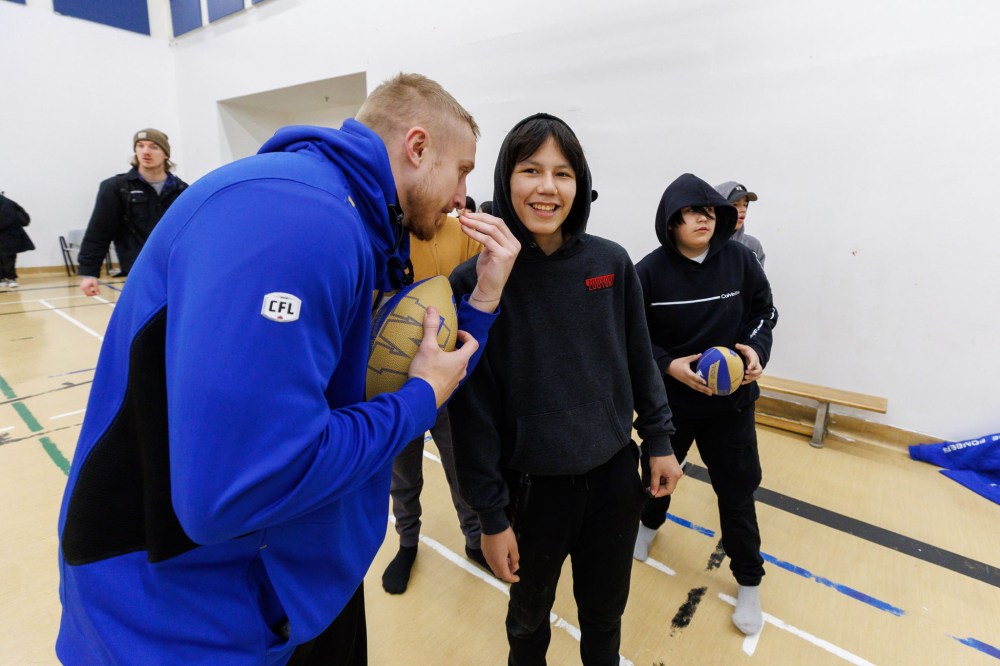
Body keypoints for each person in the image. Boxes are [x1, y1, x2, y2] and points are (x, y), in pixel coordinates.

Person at [56, 73, 520, 664]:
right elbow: (237, 488)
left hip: (290, 591)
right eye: (463, 171)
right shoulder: (298, 216)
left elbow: (408, 383)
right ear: (419, 146)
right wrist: (418, 401)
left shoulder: (357, 222)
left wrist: (481, 304)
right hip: (192, 625)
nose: (462, 197)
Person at [448, 113, 683, 665]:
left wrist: (660, 439)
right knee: (528, 627)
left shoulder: (610, 263)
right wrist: (491, 516)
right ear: (506, 179)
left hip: (611, 481)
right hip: (530, 493)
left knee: (604, 619)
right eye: (531, 170)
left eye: (564, 173)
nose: (548, 188)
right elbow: (471, 413)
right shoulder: (474, 283)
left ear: (581, 185)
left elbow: (637, 358)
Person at [633, 173, 778, 636]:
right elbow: (633, 339)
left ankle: (749, 580)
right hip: (670, 407)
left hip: (732, 408)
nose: (703, 219)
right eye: (692, 213)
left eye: (710, 212)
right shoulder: (648, 273)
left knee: (736, 493)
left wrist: (755, 350)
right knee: (657, 479)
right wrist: (670, 365)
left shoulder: (738, 259)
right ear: (671, 221)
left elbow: (765, 311)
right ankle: (647, 527)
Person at [381, 204, 488, 595]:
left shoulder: (463, 234)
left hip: (452, 380)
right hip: (392, 387)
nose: (460, 193)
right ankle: (408, 542)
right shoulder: (377, 232)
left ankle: (475, 538)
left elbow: (478, 304)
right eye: (457, 171)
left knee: (462, 467)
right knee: (403, 474)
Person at [77, 129, 189, 296]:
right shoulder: (116, 188)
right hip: (137, 271)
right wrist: (89, 272)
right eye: (140, 146)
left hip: (176, 270)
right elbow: (99, 231)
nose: (145, 151)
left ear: (166, 154)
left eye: (153, 147)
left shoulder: (182, 190)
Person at [714, 181, 764, 266]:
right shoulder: (703, 246)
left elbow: (758, 279)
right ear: (718, 208)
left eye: (745, 204)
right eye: (735, 204)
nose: (743, 209)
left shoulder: (753, 245)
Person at [0, 191, 34, 288]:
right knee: (4, 258)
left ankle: (11, 278)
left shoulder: (6, 203)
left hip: (9, 236)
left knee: (8, 258)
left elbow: (5, 220)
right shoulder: (6, 202)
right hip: (6, 235)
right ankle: (2, 278)